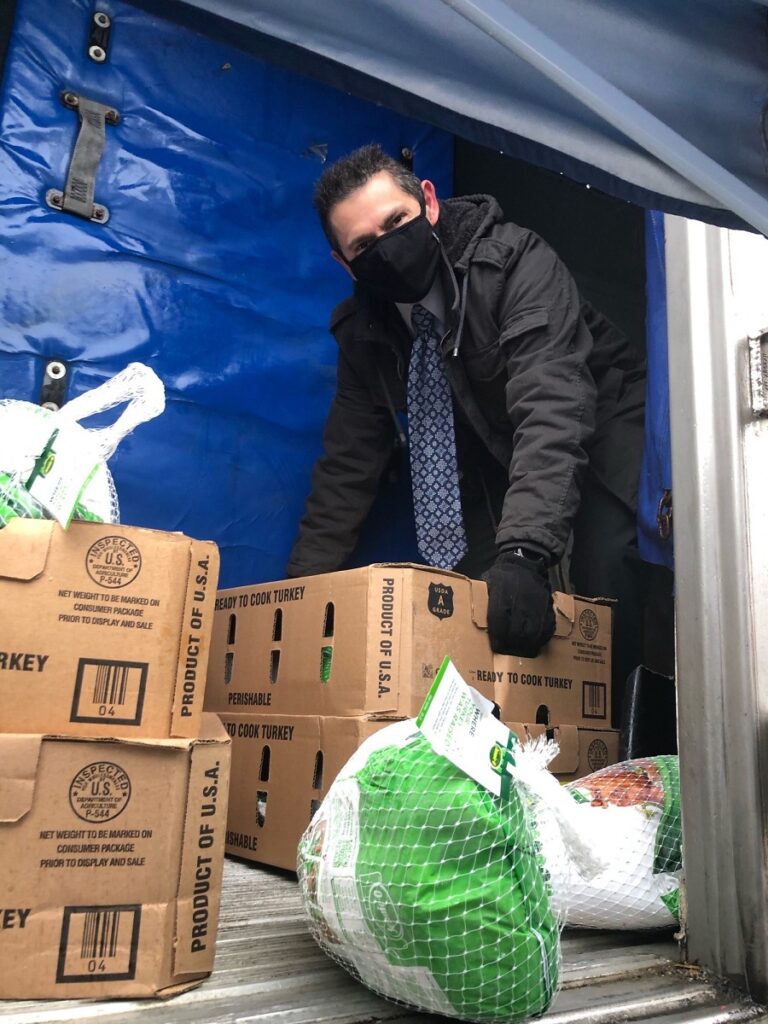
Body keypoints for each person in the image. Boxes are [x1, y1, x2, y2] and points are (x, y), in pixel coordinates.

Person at [286, 144, 646, 723]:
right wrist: (299, 600)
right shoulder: (365, 334)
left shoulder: (516, 262)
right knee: (484, 604)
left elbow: (552, 401)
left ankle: (635, 742)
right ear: (344, 263)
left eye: (395, 222)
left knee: (607, 572)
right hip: (494, 456)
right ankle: (540, 750)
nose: (385, 248)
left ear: (427, 201)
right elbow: (347, 467)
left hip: (598, 422)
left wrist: (525, 550)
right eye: (363, 245)